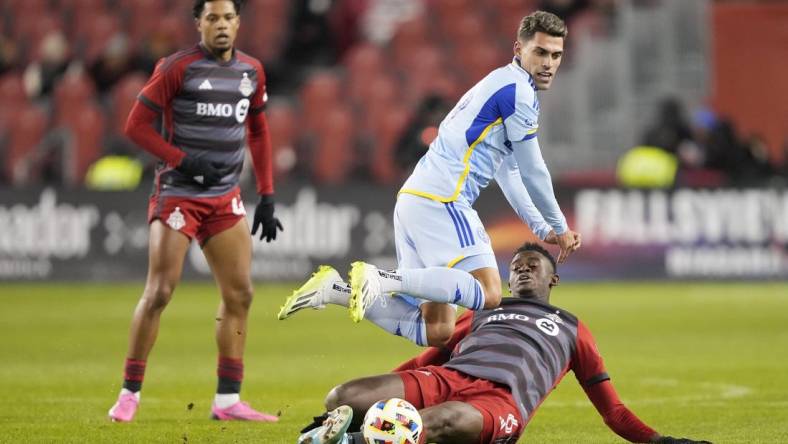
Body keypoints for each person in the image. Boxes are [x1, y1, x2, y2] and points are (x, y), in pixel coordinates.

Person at [279, 11, 581, 349]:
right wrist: (561, 225)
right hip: (443, 201)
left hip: (414, 200)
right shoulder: (518, 92)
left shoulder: (500, 84)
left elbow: (509, 171)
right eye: (540, 52)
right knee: (489, 292)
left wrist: (542, 228)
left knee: (437, 329)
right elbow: (533, 170)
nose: (548, 63)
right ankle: (381, 277)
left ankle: (337, 291)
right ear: (518, 49)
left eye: (556, 55)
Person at [297, 244, 712, 444]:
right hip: (449, 378)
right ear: (508, 279)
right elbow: (426, 359)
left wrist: (663, 442)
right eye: (516, 268)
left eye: (533, 266)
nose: (523, 271)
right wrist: (355, 407)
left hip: (497, 405)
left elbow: (613, 410)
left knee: (443, 420)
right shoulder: (481, 312)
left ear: (553, 279)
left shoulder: (571, 328)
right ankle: (348, 430)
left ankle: (354, 440)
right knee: (342, 395)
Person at [108, 0, 283, 422]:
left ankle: (227, 400)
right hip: (179, 194)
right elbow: (135, 126)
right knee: (161, 291)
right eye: (212, 18)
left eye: (227, 18)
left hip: (225, 197)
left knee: (240, 293)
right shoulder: (176, 67)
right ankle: (129, 392)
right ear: (198, 24)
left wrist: (267, 195)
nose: (221, 25)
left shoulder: (251, 71)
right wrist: (184, 162)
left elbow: (258, 131)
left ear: (238, 23)